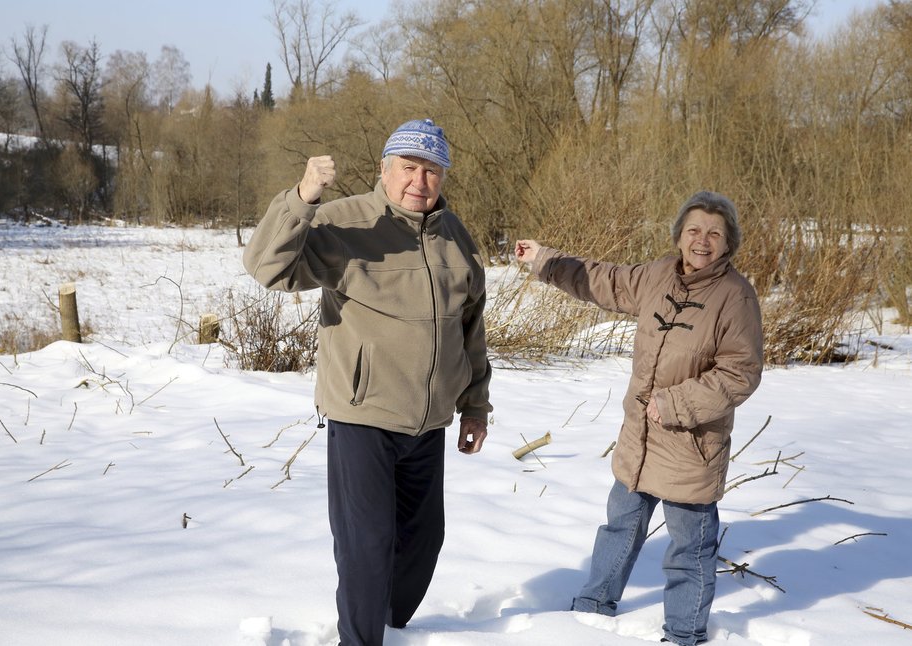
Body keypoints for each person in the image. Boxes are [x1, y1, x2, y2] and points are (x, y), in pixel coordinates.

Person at [242, 118, 493, 646]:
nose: (419, 181)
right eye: (409, 167)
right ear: (385, 168)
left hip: (429, 422)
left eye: (431, 170)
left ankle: (391, 626)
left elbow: (470, 327)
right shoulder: (344, 223)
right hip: (363, 416)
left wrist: (475, 406)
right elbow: (268, 267)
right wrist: (302, 197)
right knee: (367, 545)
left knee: (423, 543)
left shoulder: (455, 237)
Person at [514, 191, 764, 646]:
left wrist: (676, 404)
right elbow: (601, 279)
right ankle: (592, 612)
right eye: (693, 230)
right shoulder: (657, 276)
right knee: (619, 527)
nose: (702, 241)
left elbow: (739, 373)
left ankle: (685, 633)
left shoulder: (735, 297)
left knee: (690, 546)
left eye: (714, 233)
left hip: (691, 444)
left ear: (728, 243)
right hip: (639, 438)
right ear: (679, 236)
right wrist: (545, 261)